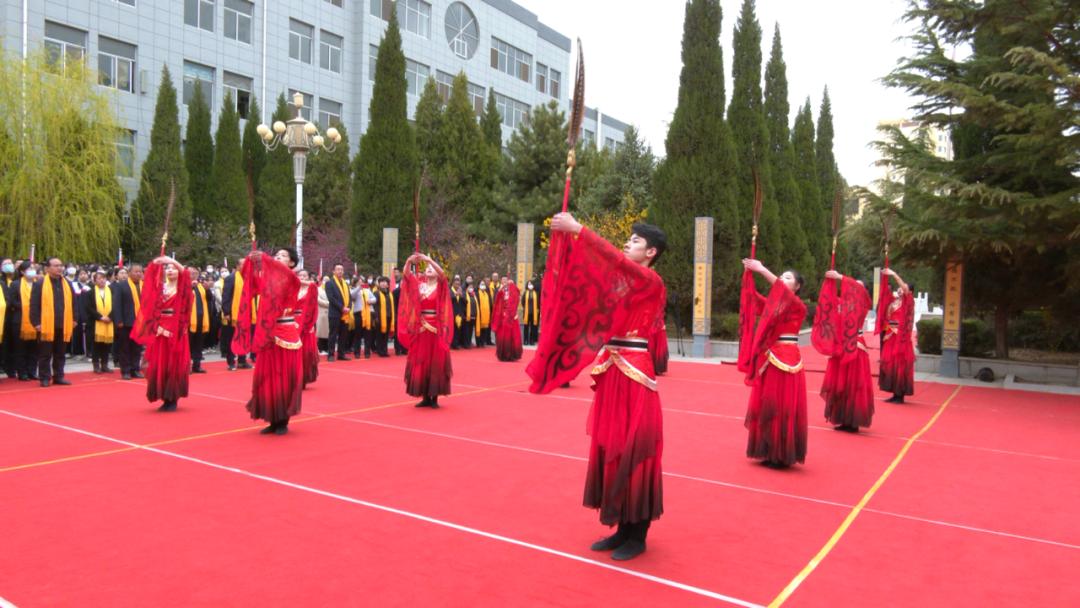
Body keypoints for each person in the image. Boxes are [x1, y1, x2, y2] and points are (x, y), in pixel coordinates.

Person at [529, 214, 667, 561]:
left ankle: (638, 534)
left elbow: (613, 259)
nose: (627, 244)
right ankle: (621, 527)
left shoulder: (650, 280)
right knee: (612, 448)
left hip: (635, 373)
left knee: (633, 452)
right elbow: (593, 285)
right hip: (613, 370)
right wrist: (565, 255)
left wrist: (580, 231)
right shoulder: (624, 282)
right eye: (629, 239)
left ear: (651, 252)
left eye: (635, 241)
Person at [741, 258, 808, 468]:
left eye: (787, 278)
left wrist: (761, 269)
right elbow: (753, 300)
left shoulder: (798, 306)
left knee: (781, 405)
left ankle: (781, 452)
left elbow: (780, 291)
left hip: (786, 357)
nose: (781, 280)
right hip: (770, 356)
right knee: (767, 402)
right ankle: (768, 449)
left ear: (796, 287)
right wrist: (748, 277)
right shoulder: (774, 306)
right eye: (781, 276)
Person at [233, 248, 303, 434]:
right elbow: (248, 279)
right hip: (268, 334)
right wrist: (251, 261)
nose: (278, 257)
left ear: (292, 263)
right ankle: (272, 417)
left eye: (283, 256)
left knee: (283, 376)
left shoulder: (292, 279)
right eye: (276, 255)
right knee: (268, 377)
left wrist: (264, 259)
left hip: (285, 334)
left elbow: (286, 276)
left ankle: (283, 419)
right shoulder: (267, 280)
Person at [813, 270, 874, 431]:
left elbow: (858, 290)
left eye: (857, 286)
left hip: (856, 348)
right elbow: (828, 304)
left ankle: (853, 420)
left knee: (853, 384)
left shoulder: (863, 305)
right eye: (851, 285)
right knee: (841, 385)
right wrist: (830, 283)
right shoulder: (841, 304)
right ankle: (842, 417)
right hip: (840, 348)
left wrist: (841, 278)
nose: (853, 288)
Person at [131, 256, 193, 412]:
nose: (170, 270)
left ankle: (173, 397)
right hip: (159, 328)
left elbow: (186, 274)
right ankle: (163, 395)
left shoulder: (183, 289)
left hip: (175, 328)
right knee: (159, 363)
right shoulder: (161, 288)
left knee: (173, 363)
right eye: (168, 268)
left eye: (173, 268)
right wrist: (155, 263)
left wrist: (171, 260)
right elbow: (149, 284)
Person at [397, 253, 453, 409]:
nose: (429, 269)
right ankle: (424, 396)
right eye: (427, 268)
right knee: (420, 361)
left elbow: (442, 275)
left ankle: (434, 396)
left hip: (435, 329)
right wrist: (409, 261)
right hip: (420, 329)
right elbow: (407, 276)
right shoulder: (420, 285)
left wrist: (429, 260)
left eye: (431, 268)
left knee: (435, 361)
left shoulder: (440, 285)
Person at [30, 257, 75, 387]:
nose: (59, 268)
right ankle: (44, 377)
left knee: (60, 353)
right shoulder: (40, 284)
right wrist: (36, 323)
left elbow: (73, 303)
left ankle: (59, 376)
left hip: (63, 323)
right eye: (56, 265)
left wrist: (74, 319)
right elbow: (34, 305)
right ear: (47, 268)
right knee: (45, 354)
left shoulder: (66, 283)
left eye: (61, 265)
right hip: (46, 324)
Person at [877, 268, 915, 404]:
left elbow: (903, 287)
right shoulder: (895, 301)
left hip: (900, 339)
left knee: (899, 365)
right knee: (891, 365)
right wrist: (885, 279)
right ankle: (894, 393)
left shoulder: (908, 302)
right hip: (890, 336)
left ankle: (900, 395)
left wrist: (894, 274)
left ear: (909, 292)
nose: (900, 290)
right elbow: (885, 296)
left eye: (903, 288)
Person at [110, 263, 145, 380]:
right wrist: (118, 320)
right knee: (125, 347)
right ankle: (125, 370)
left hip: (140, 322)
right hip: (125, 322)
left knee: (137, 348)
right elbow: (117, 304)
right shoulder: (122, 286)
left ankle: (135, 369)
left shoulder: (144, 285)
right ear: (129, 273)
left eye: (140, 271)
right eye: (136, 271)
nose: (138, 273)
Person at [9, 261, 38, 381]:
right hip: (20, 320)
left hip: (35, 321)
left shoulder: (38, 284)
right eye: (29, 268)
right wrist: (27, 306)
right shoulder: (16, 284)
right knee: (21, 348)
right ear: (22, 272)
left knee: (34, 349)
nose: (32, 270)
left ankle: (32, 371)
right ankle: (22, 372)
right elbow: (12, 302)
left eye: (33, 268)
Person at [220, 267, 251, 370]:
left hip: (245, 313)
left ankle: (242, 361)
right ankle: (231, 362)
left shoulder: (248, 278)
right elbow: (226, 296)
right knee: (231, 338)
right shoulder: (230, 278)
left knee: (243, 337)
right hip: (233, 314)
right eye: (244, 264)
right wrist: (227, 312)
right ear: (238, 266)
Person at [86, 269, 114, 374]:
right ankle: (96, 365)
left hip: (109, 322)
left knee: (107, 345)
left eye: (103, 278)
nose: (102, 281)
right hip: (96, 322)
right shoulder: (90, 292)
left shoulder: (111, 291)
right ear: (95, 281)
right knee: (96, 344)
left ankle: (105, 364)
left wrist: (110, 317)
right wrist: (100, 317)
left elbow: (115, 305)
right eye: (99, 278)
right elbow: (89, 308)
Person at [324, 263, 353, 362]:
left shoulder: (345, 283)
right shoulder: (329, 283)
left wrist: (349, 307)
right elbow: (331, 298)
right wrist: (342, 308)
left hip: (345, 313)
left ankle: (341, 354)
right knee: (333, 334)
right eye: (338, 269)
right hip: (335, 313)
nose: (340, 271)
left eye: (341, 269)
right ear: (334, 271)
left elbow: (349, 297)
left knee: (343, 335)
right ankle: (331, 354)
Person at [296, 268, 320, 388]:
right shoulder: (292, 288)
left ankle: (304, 378)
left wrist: (310, 324)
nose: (302, 277)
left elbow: (314, 308)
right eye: (300, 275)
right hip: (293, 323)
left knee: (305, 352)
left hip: (307, 323)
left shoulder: (312, 288)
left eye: (304, 275)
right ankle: (294, 378)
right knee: (294, 352)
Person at [189, 269, 214, 374]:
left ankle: (197, 365)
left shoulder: (201, 286)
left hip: (201, 319)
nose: (194, 275)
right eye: (191, 273)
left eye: (195, 273)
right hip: (189, 320)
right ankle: (186, 366)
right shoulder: (184, 285)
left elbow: (209, 299)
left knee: (198, 344)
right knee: (188, 345)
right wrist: (191, 286)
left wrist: (208, 289)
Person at [492, 278, 522, 362]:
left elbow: (517, 297)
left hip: (512, 317)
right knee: (503, 335)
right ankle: (504, 354)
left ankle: (513, 354)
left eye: (507, 281)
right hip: (503, 317)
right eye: (503, 281)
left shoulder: (514, 291)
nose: (505, 283)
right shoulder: (501, 291)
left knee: (513, 336)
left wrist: (512, 285)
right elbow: (497, 302)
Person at [351, 277, 376, 359]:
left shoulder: (367, 290)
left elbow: (374, 299)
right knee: (358, 334)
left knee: (368, 334)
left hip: (368, 314)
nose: (361, 283)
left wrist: (370, 301)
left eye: (362, 282)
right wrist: (359, 287)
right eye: (358, 282)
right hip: (358, 313)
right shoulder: (354, 290)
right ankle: (357, 352)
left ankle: (367, 352)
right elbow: (352, 296)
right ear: (355, 283)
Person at [372, 276, 395, 357]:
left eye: (385, 282)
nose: (383, 283)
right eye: (381, 282)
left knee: (386, 335)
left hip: (389, 317)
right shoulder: (376, 293)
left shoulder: (390, 294)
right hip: (379, 317)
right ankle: (380, 351)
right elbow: (374, 307)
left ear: (388, 284)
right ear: (379, 284)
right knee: (379, 335)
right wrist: (376, 317)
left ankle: (385, 350)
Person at [391, 270, 406, 356]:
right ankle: (397, 349)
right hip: (398, 314)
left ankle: (404, 348)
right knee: (398, 333)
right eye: (402, 282)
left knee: (405, 333)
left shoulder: (408, 291)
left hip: (406, 315)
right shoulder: (396, 292)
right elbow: (394, 304)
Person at [521, 280, 540, 345]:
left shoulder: (536, 293)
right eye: (529, 284)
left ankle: (531, 340)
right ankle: (525, 340)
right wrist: (525, 308)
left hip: (533, 313)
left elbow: (538, 303)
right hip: (527, 313)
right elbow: (522, 302)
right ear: (527, 285)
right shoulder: (525, 293)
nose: (530, 285)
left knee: (532, 327)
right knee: (526, 327)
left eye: (531, 284)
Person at [475, 279, 492, 349]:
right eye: (481, 284)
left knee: (485, 329)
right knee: (479, 328)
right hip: (480, 314)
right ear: (479, 286)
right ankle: (478, 343)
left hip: (486, 314)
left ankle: (483, 342)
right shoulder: (477, 293)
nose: (483, 286)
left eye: (483, 284)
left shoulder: (487, 294)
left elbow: (490, 304)